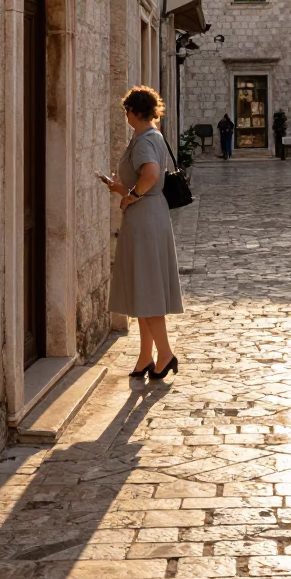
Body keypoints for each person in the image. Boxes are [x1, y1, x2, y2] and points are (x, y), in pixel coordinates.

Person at [101, 85, 183, 380]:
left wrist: (131, 196)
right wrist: (121, 189)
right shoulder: (152, 135)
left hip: (145, 218)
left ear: (135, 112)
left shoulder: (145, 139)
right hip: (150, 214)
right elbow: (146, 181)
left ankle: (166, 354)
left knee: (147, 289)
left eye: (127, 110)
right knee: (144, 288)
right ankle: (145, 357)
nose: (125, 115)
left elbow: (149, 175)